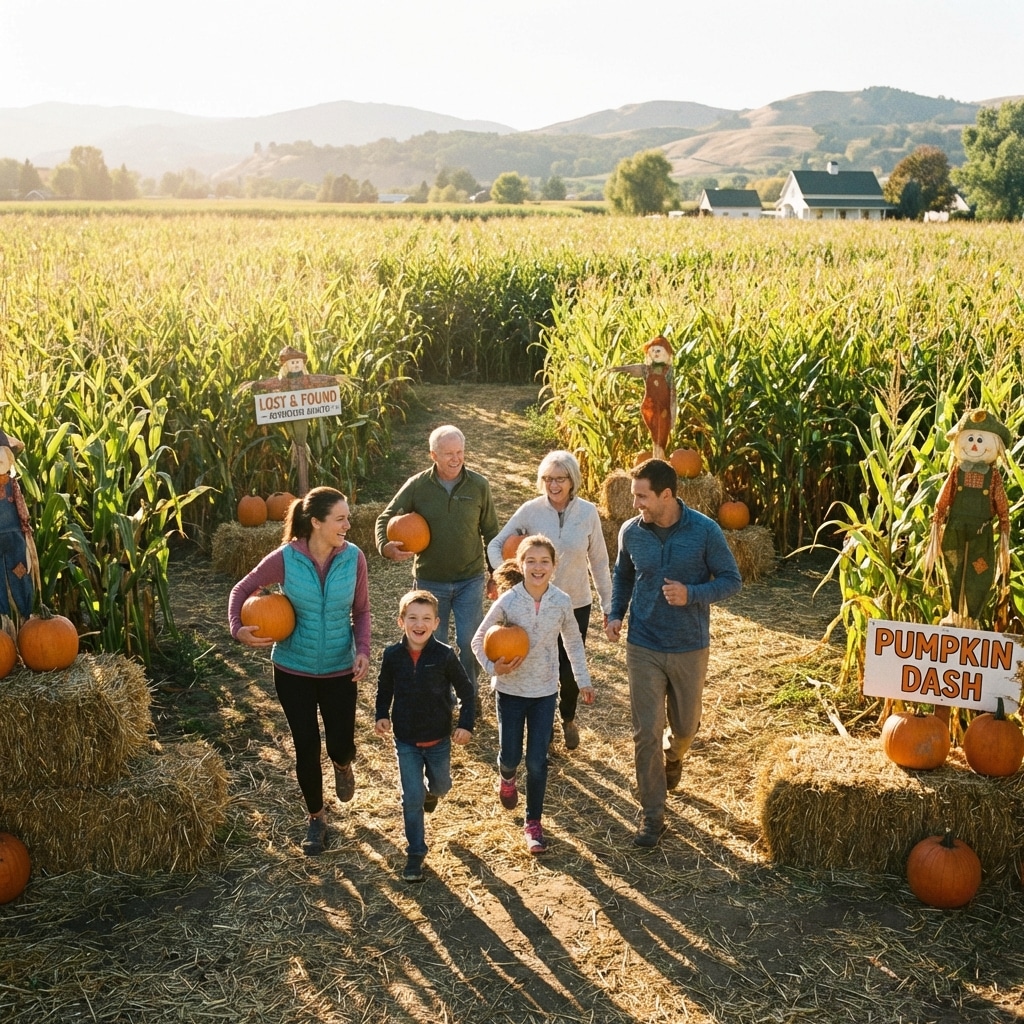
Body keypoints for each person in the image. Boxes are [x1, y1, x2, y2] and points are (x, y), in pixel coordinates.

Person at [605, 459, 741, 849]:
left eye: (643, 497)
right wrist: (616, 613)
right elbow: (623, 574)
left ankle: (676, 754)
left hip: (688, 645)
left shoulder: (704, 531)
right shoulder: (632, 532)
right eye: (634, 496)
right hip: (643, 643)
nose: (636, 505)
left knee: (685, 727)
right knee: (645, 732)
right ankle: (652, 816)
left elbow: (732, 580)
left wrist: (692, 594)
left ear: (667, 494)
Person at [229, 486, 370, 856]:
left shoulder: (353, 558)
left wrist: (363, 651)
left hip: (340, 668)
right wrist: (237, 628)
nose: (348, 525)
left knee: (340, 742)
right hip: (293, 669)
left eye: (348, 518)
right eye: (340, 519)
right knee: (306, 745)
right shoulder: (286, 558)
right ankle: (316, 819)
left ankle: (342, 764)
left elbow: (363, 611)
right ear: (316, 522)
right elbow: (242, 589)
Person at [472, 535, 595, 855]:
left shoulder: (561, 602)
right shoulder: (509, 600)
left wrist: (582, 681)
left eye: (544, 562)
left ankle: (533, 824)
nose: (538, 567)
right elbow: (478, 638)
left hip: (543, 692)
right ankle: (507, 777)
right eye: (531, 561)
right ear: (521, 565)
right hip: (511, 691)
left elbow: (573, 643)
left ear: (554, 566)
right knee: (511, 755)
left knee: (538, 761)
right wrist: (492, 667)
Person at [487, 450, 611, 751]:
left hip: (575, 602)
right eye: (547, 479)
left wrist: (609, 607)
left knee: (569, 669)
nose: (553, 485)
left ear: (573, 480)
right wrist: (504, 580)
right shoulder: (530, 510)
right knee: (536, 665)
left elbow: (599, 562)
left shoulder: (588, 512)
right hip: (533, 605)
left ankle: (567, 717)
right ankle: (544, 733)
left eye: (560, 478)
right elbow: (496, 544)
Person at [375, 424, 498, 692]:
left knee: (469, 641)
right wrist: (385, 546)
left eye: (460, 452)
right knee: (433, 643)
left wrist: (495, 574)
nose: (455, 459)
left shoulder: (478, 485)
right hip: (431, 580)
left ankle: (469, 694)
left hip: (470, 578)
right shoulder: (418, 486)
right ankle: (440, 698)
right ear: (433, 455)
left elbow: (490, 532)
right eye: (448, 453)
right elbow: (385, 516)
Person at [374, 589, 475, 883]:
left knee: (441, 786)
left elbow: (467, 693)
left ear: (436, 622)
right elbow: (384, 689)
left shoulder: (444, 655)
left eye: (426, 618)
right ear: (401, 621)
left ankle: (433, 793)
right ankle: (415, 853)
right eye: (413, 618)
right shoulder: (392, 656)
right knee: (411, 798)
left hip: (439, 740)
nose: (419, 624)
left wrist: (465, 724)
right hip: (405, 740)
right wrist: (381, 714)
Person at [0, 430, 35, 621]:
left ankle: (24, 614)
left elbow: (21, 507)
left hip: (14, 535)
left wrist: (25, 526)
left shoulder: (12, 484)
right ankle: (3, 619)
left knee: (19, 571)